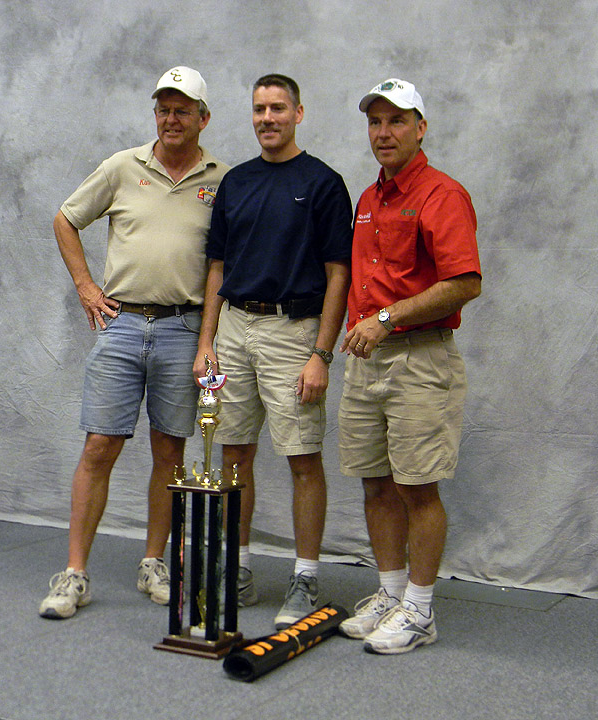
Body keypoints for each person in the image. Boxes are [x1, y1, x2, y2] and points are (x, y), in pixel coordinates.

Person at [39, 67, 230, 619]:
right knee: (99, 447)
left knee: (170, 453)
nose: (172, 119)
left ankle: (154, 561)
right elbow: (65, 218)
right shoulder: (123, 167)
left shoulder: (223, 180)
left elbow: (220, 263)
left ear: (203, 118)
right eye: (163, 109)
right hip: (122, 326)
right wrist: (85, 286)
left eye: (183, 109)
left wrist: (208, 338)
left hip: (183, 329)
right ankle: (74, 573)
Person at [196, 73, 352, 629]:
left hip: (295, 334)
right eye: (259, 109)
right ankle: (235, 568)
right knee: (234, 454)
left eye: (278, 108)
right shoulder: (235, 183)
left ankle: (305, 577)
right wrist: (207, 342)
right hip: (235, 328)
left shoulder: (324, 183)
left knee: (302, 458)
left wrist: (321, 354)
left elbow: (340, 275)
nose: (267, 118)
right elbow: (215, 267)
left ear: (299, 113)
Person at [337, 78, 481, 652]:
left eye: (396, 121)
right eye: (375, 122)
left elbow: (465, 282)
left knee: (417, 487)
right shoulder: (370, 199)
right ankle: (392, 593)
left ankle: (420, 611)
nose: (384, 132)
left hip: (419, 361)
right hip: (366, 360)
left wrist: (388, 319)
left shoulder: (442, 194)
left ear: (421, 128)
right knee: (375, 483)